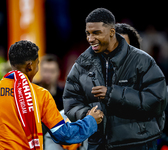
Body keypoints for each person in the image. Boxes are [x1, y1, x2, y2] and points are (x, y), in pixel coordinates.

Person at [63, 8, 167, 150]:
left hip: (136, 144)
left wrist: (112, 94)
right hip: (97, 144)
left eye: (96, 33)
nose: (90, 38)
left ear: (112, 33)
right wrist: (87, 115)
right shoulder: (82, 64)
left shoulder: (142, 61)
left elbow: (157, 100)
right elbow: (70, 100)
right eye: (88, 33)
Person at [0, 40, 104, 150]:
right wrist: (91, 120)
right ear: (30, 66)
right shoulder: (41, 95)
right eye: (37, 64)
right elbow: (63, 135)